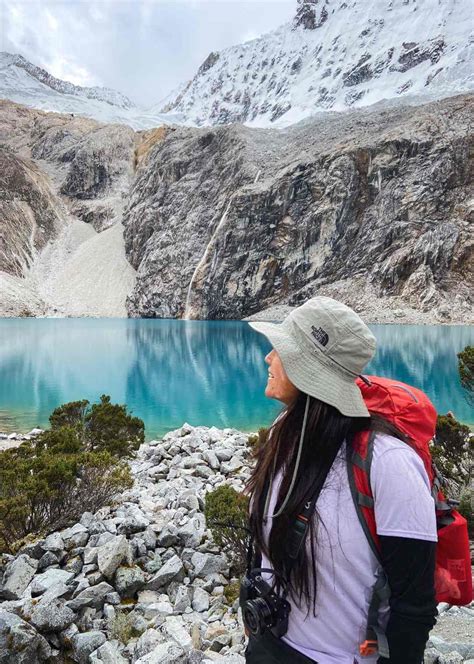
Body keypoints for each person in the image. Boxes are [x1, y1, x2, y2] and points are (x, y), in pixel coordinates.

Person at [244, 296, 437, 664]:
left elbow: (413, 608)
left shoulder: (390, 464)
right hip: (268, 649)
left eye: (281, 350)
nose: (269, 358)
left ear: (309, 370)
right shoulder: (285, 430)